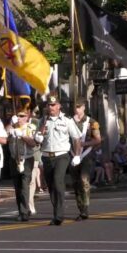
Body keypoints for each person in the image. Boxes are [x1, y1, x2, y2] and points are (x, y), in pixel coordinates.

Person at [34, 94, 82, 225]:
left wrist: (77, 155)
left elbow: (76, 138)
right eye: (49, 105)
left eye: (54, 105)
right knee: (51, 186)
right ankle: (56, 213)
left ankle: (59, 215)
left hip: (62, 155)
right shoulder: (42, 121)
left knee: (57, 181)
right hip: (46, 156)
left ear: (59, 106)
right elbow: (37, 139)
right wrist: (39, 135)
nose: (51, 107)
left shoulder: (67, 121)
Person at [70, 101, 102, 220]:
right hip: (72, 155)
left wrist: (84, 143)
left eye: (79, 107)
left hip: (86, 155)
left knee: (84, 180)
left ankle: (85, 207)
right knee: (75, 183)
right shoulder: (69, 122)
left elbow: (98, 139)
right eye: (75, 107)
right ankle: (81, 208)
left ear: (83, 107)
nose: (77, 109)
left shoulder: (91, 122)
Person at [6, 105, 37, 222]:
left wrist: (22, 135)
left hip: (27, 159)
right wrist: (10, 124)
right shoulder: (13, 127)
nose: (19, 118)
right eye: (18, 116)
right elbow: (4, 134)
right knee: (17, 187)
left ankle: (24, 212)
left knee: (24, 186)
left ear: (27, 117)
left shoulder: (31, 127)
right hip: (14, 159)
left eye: (22, 116)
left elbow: (33, 143)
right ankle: (22, 210)